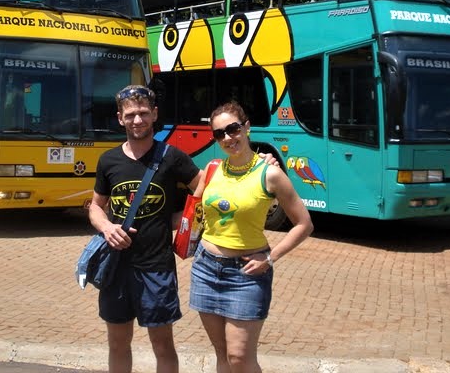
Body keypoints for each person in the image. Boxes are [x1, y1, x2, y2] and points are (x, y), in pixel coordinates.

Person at [189, 100, 314, 373]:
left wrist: (270, 257)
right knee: (221, 355)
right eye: (219, 134)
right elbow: (193, 211)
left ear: (246, 128)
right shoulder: (211, 170)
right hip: (205, 268)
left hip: (246, 274)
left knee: (240, 358)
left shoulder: (270, 174)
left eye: (232, 129)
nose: (227, 138)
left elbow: (304, 224)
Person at [88, 84, 202, 373]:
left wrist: (179, 220)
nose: (137, 120)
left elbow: (206, 188)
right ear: (119, 118)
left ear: (154, 114)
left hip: (156, 267)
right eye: (130, 115)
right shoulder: (108, 160)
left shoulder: (172, 157)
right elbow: (95, 206)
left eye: (142, 113)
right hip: (116, 268)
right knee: (117, 344)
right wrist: (106, 227)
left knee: (163, 347)